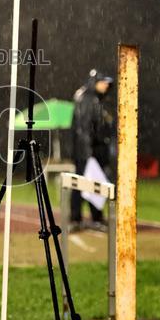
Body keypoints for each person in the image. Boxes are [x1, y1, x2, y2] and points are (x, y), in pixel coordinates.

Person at [70, 69, 115, 228]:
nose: (106, 86)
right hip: (88, 151)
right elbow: (84, 129)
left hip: (89, 150)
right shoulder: (88, 99)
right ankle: (81, 219)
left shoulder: (92, 98)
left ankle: (85, 218)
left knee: (88, 183)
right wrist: (88, 154)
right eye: (103, 82)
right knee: (84, 184)